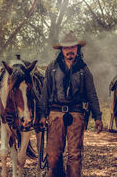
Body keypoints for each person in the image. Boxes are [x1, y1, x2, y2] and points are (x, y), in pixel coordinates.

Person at [38, 31, 103, 177]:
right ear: (61, 49)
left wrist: (97, 116)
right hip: (55, 113)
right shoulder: (52, 68)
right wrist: (42, 115)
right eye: (66, 48)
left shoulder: (83, 69)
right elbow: (45, 93)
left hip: (76, 114)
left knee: (74, 155)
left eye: (72, 47)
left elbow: (92, 94)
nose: (69, 51)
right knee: (53, 155)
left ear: (77, 49)